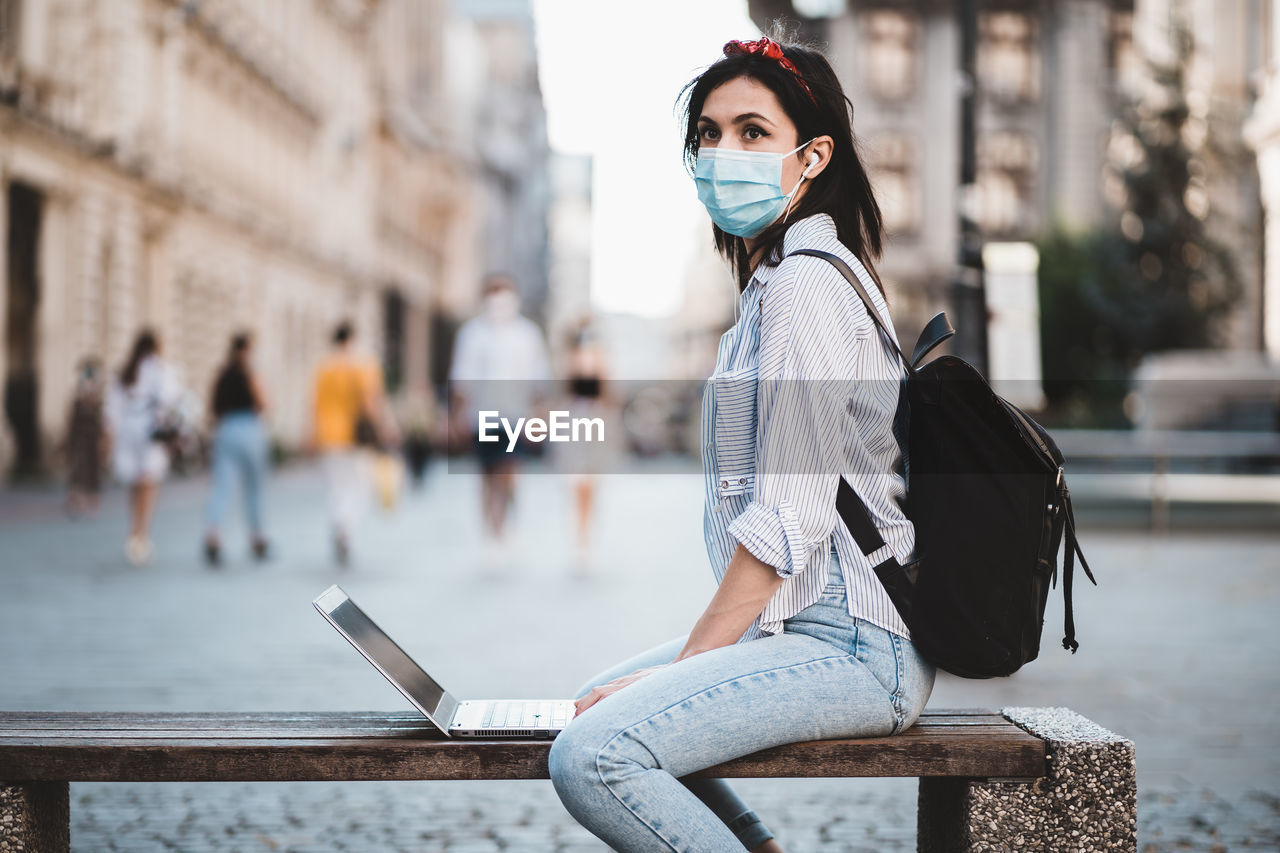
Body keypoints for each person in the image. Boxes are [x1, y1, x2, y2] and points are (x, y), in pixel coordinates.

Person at [547, 35, 935, 851]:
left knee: (594, 754)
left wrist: (685, 666)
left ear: (812, 153)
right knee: (597, 696)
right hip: (813, 629)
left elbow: (787, 517)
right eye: (711, 134)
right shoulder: (782, 280)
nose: (725, 152)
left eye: (754, 131)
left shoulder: (805, 285)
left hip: (861, 646)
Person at [448, 274, 551, 574]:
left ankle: (508, 521)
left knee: (508, 473)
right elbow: (463, 379)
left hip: (515, 418)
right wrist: (456, 417)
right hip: (482, 417)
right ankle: (490, 536)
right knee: (487, 476)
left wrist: (540, 418)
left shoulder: (527, 334)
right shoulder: (472, 334)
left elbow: (538, 380)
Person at [311, 321, 395, 566]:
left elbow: (314, 404)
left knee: (338, 486)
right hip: (356, 438)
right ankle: (344, 527)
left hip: (329, 436)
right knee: (360, 488)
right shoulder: (362, 365)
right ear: (353, 338)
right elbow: (371, 401)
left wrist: (313, 434)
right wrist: (384, 428)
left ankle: (339, 522)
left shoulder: (323, 367)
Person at [105, 330, 184, 566]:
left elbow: (113, 408)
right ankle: (142, 534)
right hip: (150, 430)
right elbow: (172, 399)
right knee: (148, 482)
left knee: (134, 484)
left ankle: (133, 532)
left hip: (128, 430)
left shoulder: (126, 370)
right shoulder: (161, 369)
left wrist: (109, 438)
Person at [202, 333, 270, 566]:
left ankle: (214, 533)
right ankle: (257, 536)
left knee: (223, 486)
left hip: (226, 428)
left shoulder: (222, 373)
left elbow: (212, 405)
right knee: (253, 487)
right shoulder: (249, 373)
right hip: (249, 428)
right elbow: (262, 403)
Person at [561, 315, 611, 577]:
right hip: (575, 425)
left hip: (595, 424)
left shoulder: (601, 363)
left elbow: (608, 396)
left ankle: (586, 538)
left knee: (591, 486)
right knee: (577, 485)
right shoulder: (569, 364)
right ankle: (580, 540)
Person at [62, 357, 107, 517]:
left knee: (92, 471)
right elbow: (70, 422)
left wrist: (103, 441)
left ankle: (90, 499)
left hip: (92, 442)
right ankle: (77, 499)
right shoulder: (78, 402)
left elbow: (102, 424)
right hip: (80, 441)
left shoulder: (97, 404)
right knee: (78, 469)